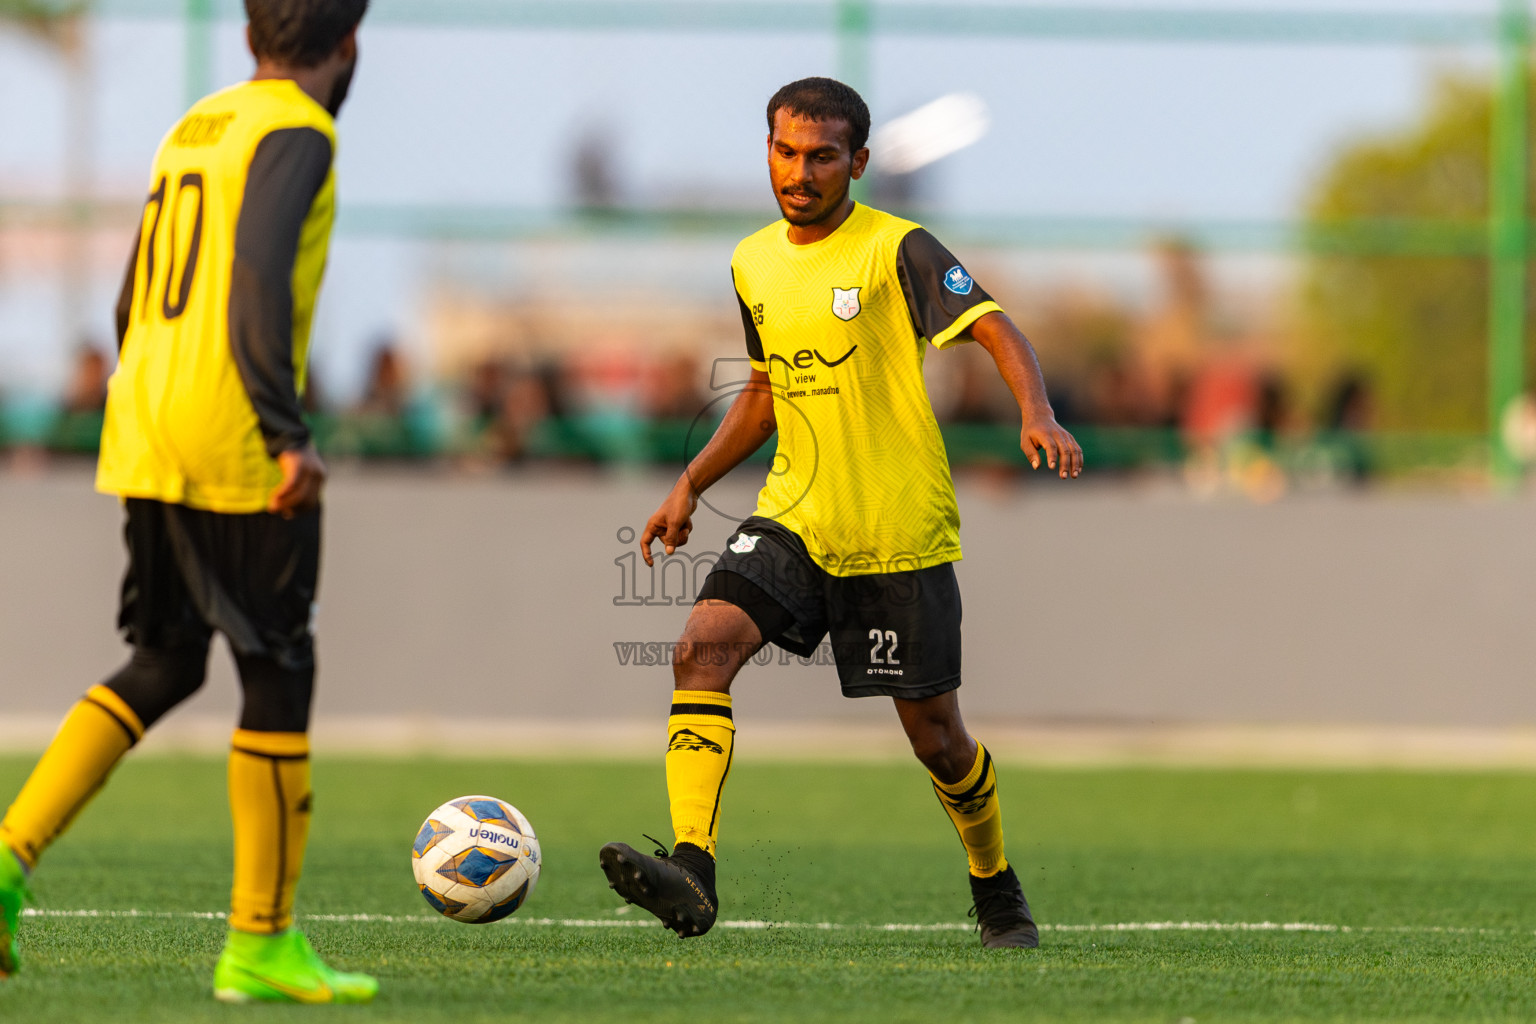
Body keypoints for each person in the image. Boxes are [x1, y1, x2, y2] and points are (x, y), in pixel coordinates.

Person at [598, 77, 1083, 949]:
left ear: (857, 162)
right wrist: (691, 485)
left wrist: (1036, 411)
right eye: (786, 152)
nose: (802, 171)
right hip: (795, 516)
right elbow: (763, 392)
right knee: (699, 650)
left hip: (896, 528)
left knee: (938, 742)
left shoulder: (899, 248)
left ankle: (995, 885)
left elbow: (997, 326)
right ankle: (692, 871)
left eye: (823, 156)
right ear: (769, 153)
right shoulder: (753, 261)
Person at [0, 0, 374, 1003]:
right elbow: (256, 273)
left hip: (148, 415)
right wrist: (284, 430)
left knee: (165, 658)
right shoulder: (301, 130)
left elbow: (129, 294)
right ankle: (260, 941)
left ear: (252, 38)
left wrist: (147, 391)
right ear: (349, 46)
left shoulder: (198, 124)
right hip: (233, 433)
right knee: (277, 664)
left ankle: (4, 859)